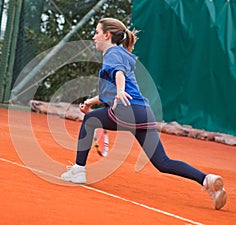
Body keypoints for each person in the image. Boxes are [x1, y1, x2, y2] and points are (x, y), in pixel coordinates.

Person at [60, 18, 227, 210]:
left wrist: (121, 90)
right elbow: (111, 90)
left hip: (127, 110)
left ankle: (78, 170)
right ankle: (207, 179)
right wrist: (91, 101)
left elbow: (119, 75)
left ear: (107, 35)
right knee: (162, 162)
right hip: (143, 113)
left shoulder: (112, 53)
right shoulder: (121, 54)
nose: (93, 36)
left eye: (97, 32)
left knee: (90, 120)